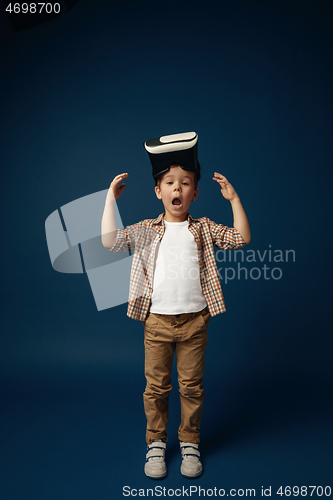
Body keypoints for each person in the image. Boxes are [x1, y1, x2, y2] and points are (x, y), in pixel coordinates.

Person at [101, 134, 251, 479]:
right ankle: (156, 442)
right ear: (159, 191)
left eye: (185, 183)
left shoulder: (203, 229)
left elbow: (241, 238)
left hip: (195, 322)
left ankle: (190, 442)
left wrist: (234, 199)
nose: (177, 188)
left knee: (191, 386)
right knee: (156, 387)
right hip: (156, 322)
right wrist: (110, 200)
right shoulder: (145, 230)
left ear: (195, 193)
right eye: (170, 182)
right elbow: (110, 242)